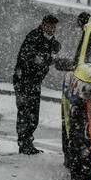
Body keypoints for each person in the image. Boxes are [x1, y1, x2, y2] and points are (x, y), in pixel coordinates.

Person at [13, 15, 61, 155]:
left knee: (33, 113)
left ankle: (28, 141)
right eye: (49, 27)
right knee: (25, 112)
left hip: (34, 81)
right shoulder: (33, 37)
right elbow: (29, 57)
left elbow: (56, 46)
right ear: (43, 25)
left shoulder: (47, 40)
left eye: (53, 28)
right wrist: (47, 58)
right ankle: (23, 143)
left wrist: (55, 48)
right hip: (24, 80)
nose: (51, 30)